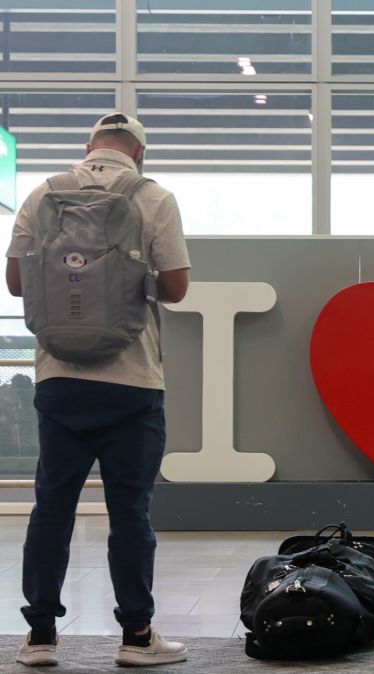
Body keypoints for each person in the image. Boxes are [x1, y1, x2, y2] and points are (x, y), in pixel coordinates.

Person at [5, 113, 191, 667]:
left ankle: (39, 637)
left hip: (59, 379)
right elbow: (177, 288)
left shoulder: (42, 194)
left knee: (51, 508)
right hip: (131, 382)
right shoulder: (152, 197)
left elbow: (15, 282)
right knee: (130, 511)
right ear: (140, 153)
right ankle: (137, 638)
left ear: (88, 148)